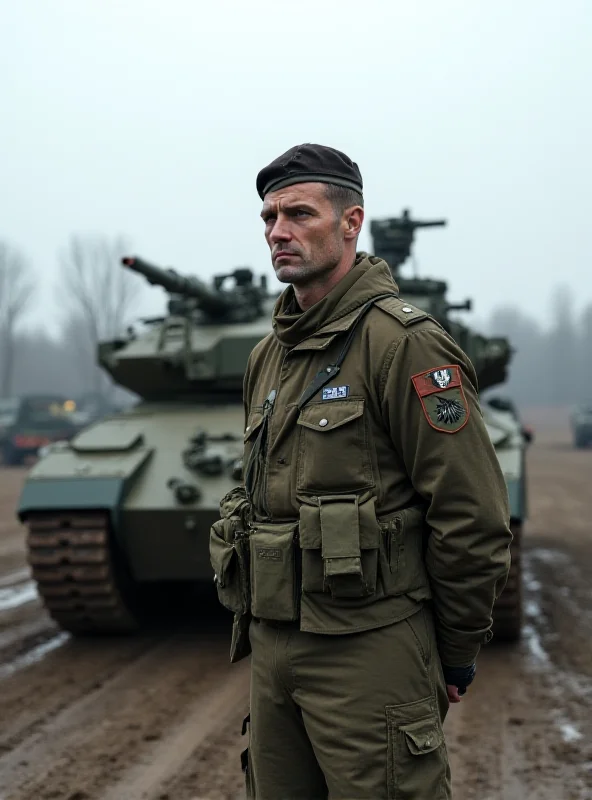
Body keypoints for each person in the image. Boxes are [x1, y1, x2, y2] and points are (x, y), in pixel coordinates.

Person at [210, 143, 512, 799]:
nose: (278, 232)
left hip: (368, 648)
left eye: (298, 213)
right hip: (274, 650)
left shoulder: (403, 342)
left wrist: (456, 647)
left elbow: (471, 514)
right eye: (268, 218)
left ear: (351, 223)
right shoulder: (269, 355)